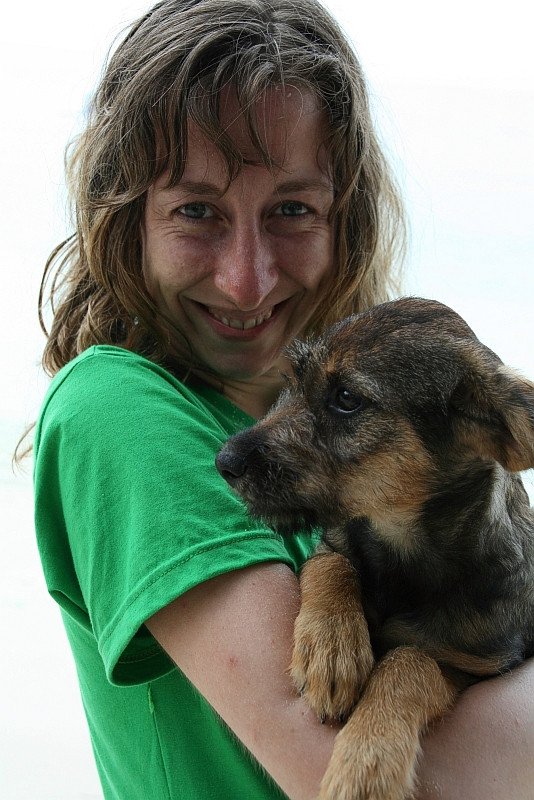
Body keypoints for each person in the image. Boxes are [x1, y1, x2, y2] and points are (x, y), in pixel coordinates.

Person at [32, 1, 534, 799]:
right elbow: (378, 782)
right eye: (197, 210)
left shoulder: (374, 410)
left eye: (293, 211)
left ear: (346, 218)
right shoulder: (116, 410)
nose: (247, 278)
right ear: (127, 220)